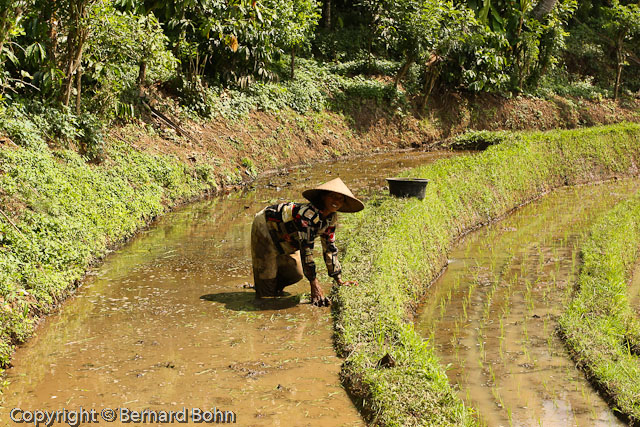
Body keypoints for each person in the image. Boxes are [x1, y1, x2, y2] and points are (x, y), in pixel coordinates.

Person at [250, 177, 363, 306]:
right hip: (266, 228)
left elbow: (330, 248)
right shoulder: (307, 216)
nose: (336, 201)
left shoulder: (331, 218)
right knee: (266, 294)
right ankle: (265, 289)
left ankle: (272, 287)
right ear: (323, 197)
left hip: (288, 239)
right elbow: (306, 250)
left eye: (340, 198)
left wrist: (339, 279)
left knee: (295, 274)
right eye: (332, 196)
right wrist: (314, 283)